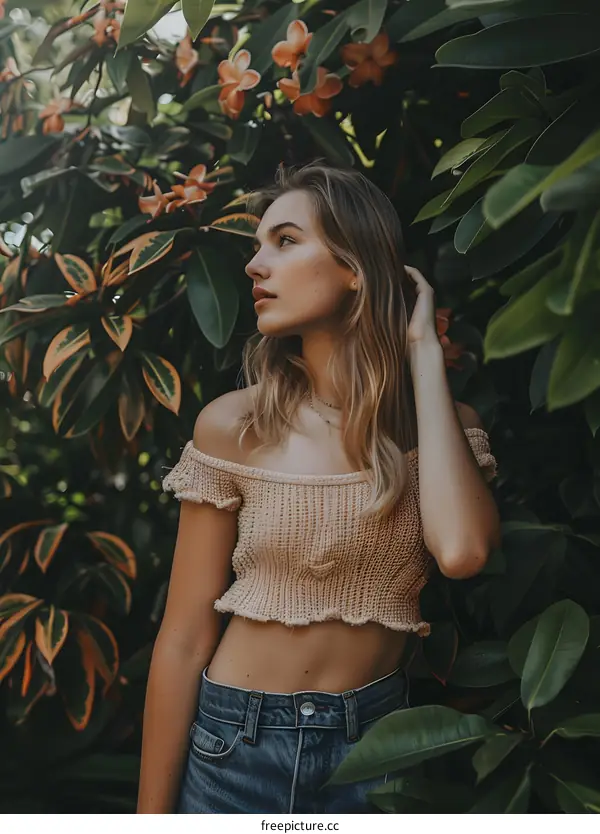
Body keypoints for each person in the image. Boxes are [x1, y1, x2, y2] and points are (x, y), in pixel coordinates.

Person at [136, 162, 501, 814]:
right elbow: (185, 637)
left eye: (284, 240)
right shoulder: (233, 427)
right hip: (232, 748)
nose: (254, 265)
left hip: (379, 750)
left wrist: (422, 356)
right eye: (256, 246)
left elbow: (463, 553)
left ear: (355, 267)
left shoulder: (442, 431)